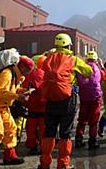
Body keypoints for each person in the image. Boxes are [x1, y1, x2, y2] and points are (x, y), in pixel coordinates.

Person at [38, 33, 92, 169]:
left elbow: (40, 66)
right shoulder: (72, 59)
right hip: (67, 99)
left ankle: (44, 164)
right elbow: (89, 72)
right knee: (65, 132)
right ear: (69, 45)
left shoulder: (48, 58)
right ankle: (63, 164)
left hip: (50, 98)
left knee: (49, 131)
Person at [75, 51, 103, 149]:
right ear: (95, 59)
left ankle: (78, 139)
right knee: (93, 121)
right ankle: (92, 141)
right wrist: (102, 66)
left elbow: (78, 80)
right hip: (95, 98)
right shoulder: (97, 69)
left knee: (82, 120)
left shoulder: (82, 68)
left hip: (84, 98)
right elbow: (104, 77)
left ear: (86, 59)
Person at [23, 55, 47, 155]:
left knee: (30, 128)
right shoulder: (44, 74)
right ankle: (43, 146)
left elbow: (24, 88)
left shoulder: (28, 74)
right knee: (43, 128)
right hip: (43, 107)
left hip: (31, 106)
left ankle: (32, 146)